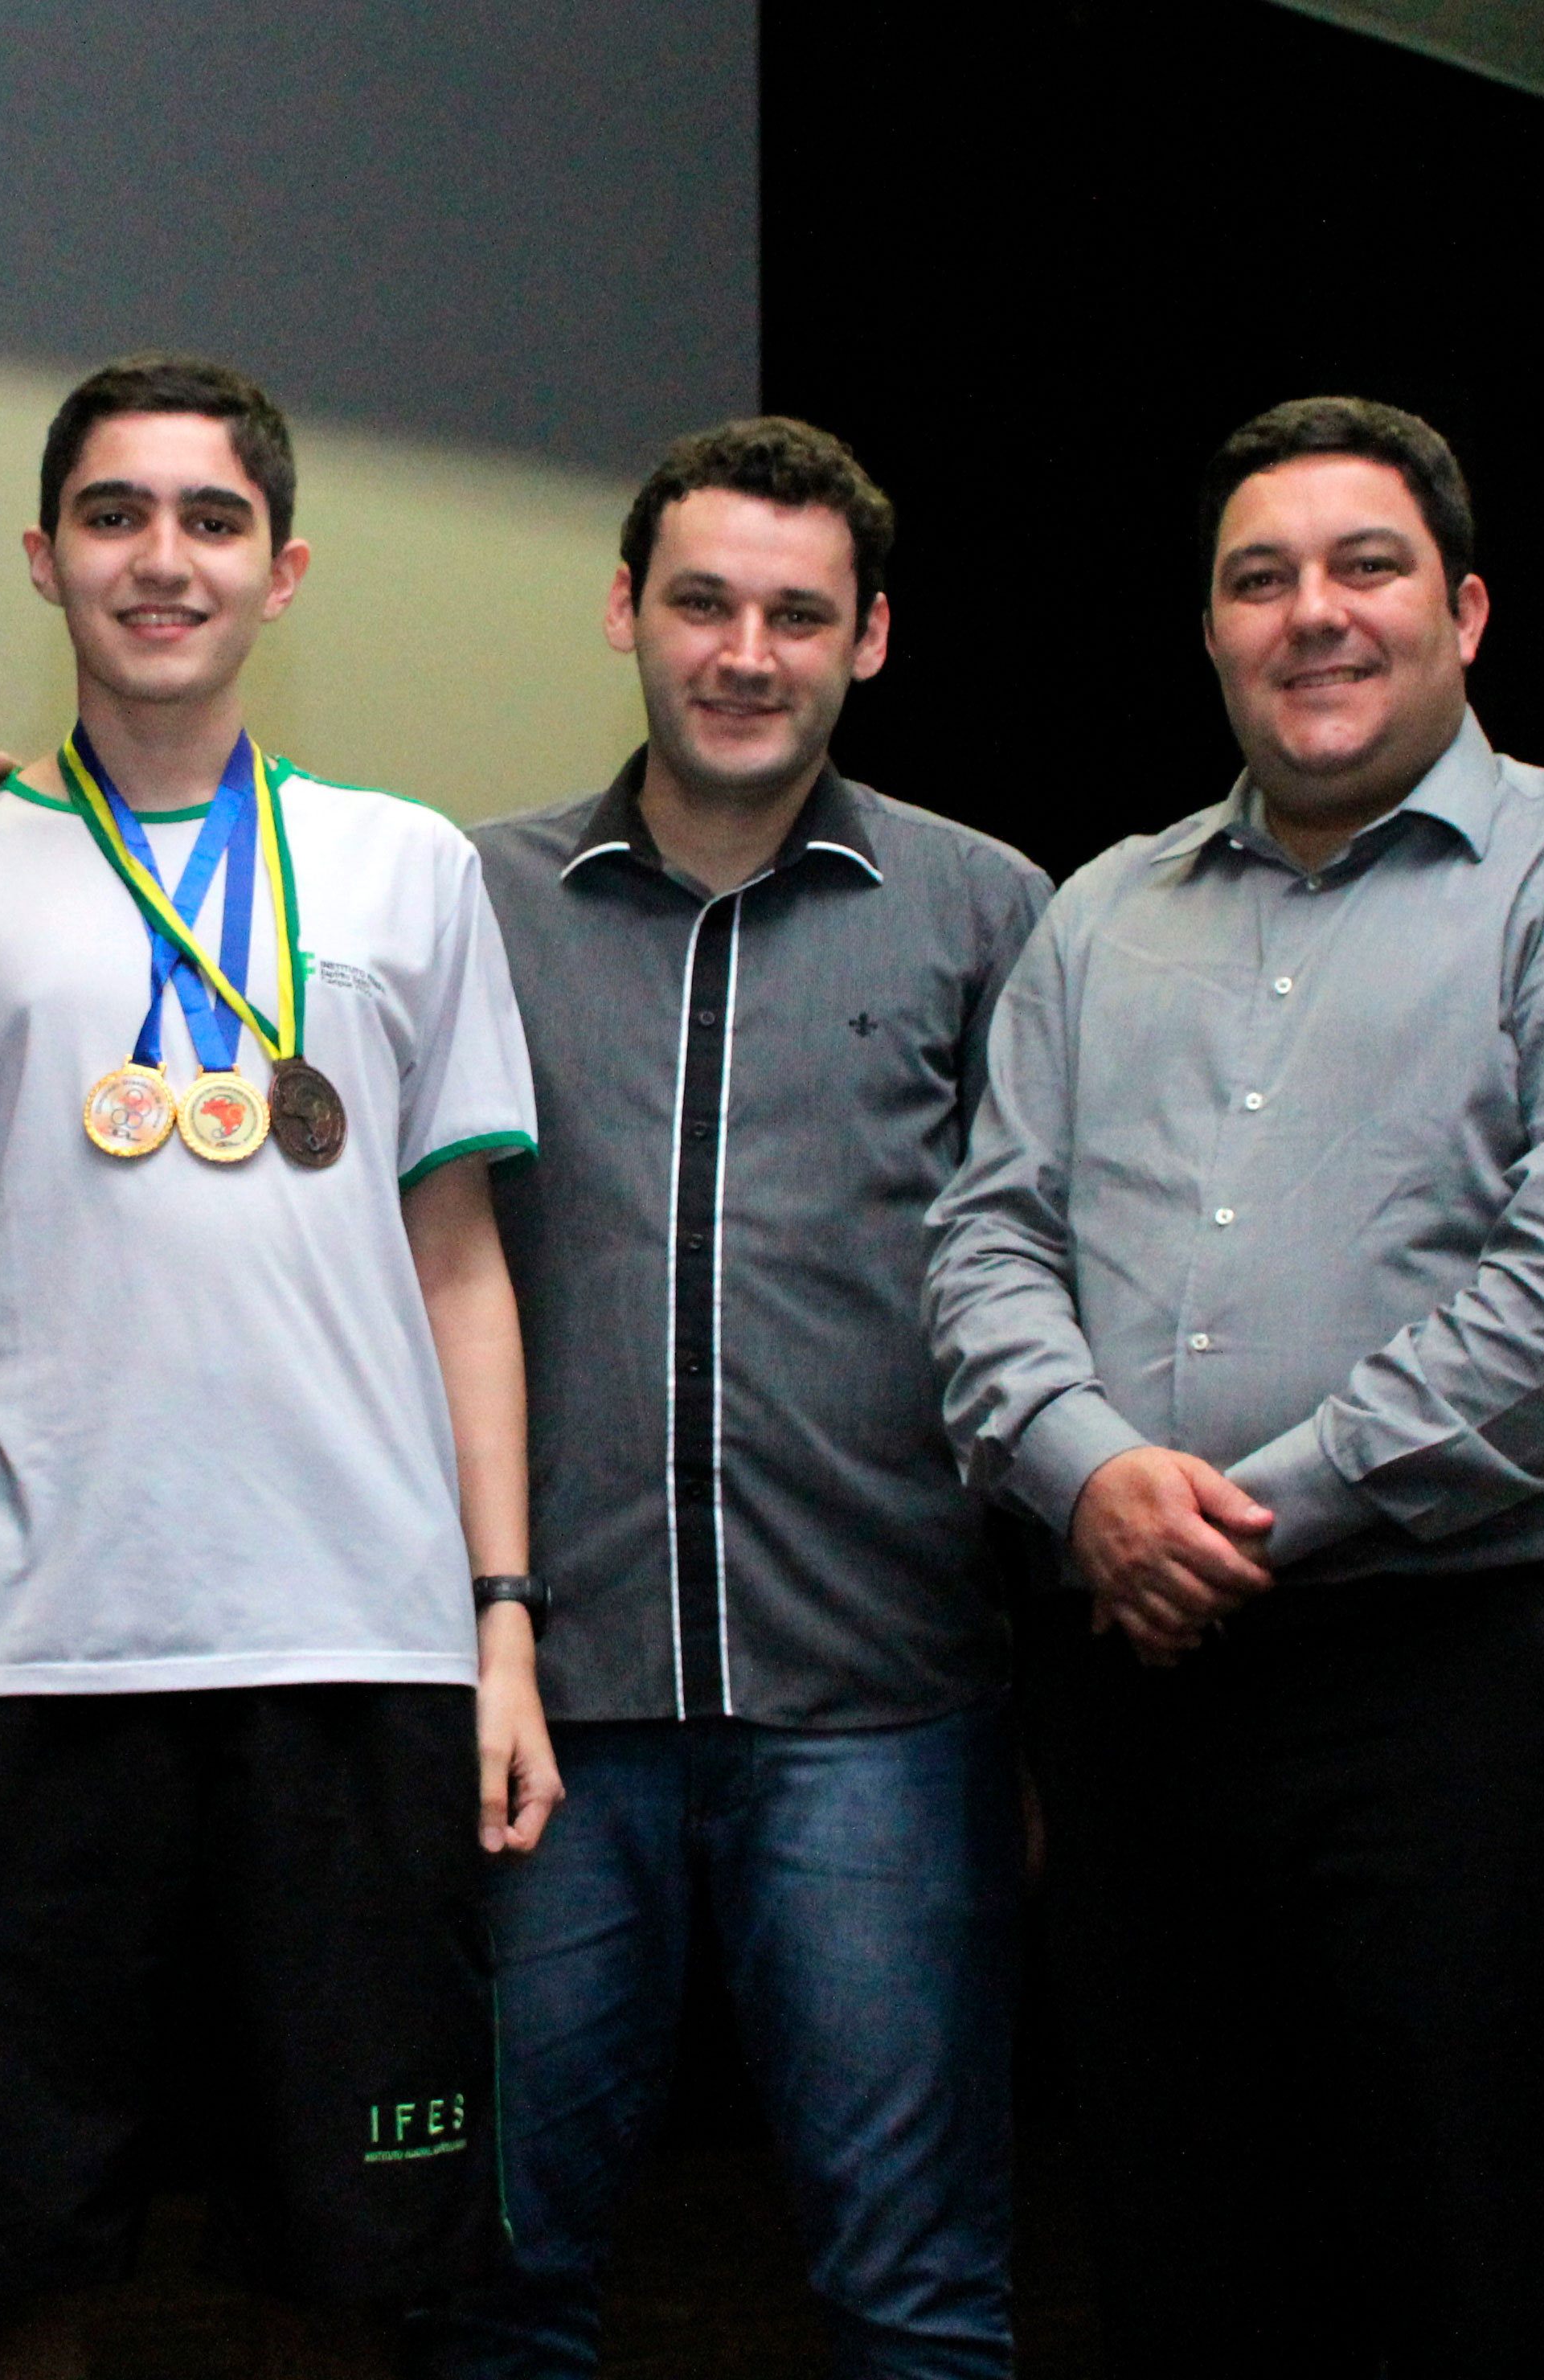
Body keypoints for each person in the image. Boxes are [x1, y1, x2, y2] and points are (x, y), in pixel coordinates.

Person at [924, 395, 1544, 2377]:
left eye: (1365, 566)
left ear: (1462, 610)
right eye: (1259, 577)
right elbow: (982, 1242)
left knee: (1469, 2273)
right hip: (1142, 1704)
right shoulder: (1099, 912)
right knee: (1185, 2268)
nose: (1313, 612)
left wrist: (1235, 1516)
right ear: (1211, 628)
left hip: (1466, 1697)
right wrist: (1090, 1477)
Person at [0, 352, 561, 2379]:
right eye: (117, 514)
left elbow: (461, 1264)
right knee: (5, 2266)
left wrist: (499, 1626)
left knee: (350, 2270)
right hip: (23, 1660)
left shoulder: (408, 865)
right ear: (43, 556)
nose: (164, 557)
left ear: (283, 570)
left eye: (212, 518)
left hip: (358, 1654)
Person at [421, 419, 1045, 2379]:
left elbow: (1050, 1285)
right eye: (702, 603)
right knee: (490, 2286)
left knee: (912, 2290)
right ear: (626, 609)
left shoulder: (985, 909)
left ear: (870, 638)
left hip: (880, 1703)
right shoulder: (470, 900)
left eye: (796, 613)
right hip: (549, 1705)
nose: (744, 653)